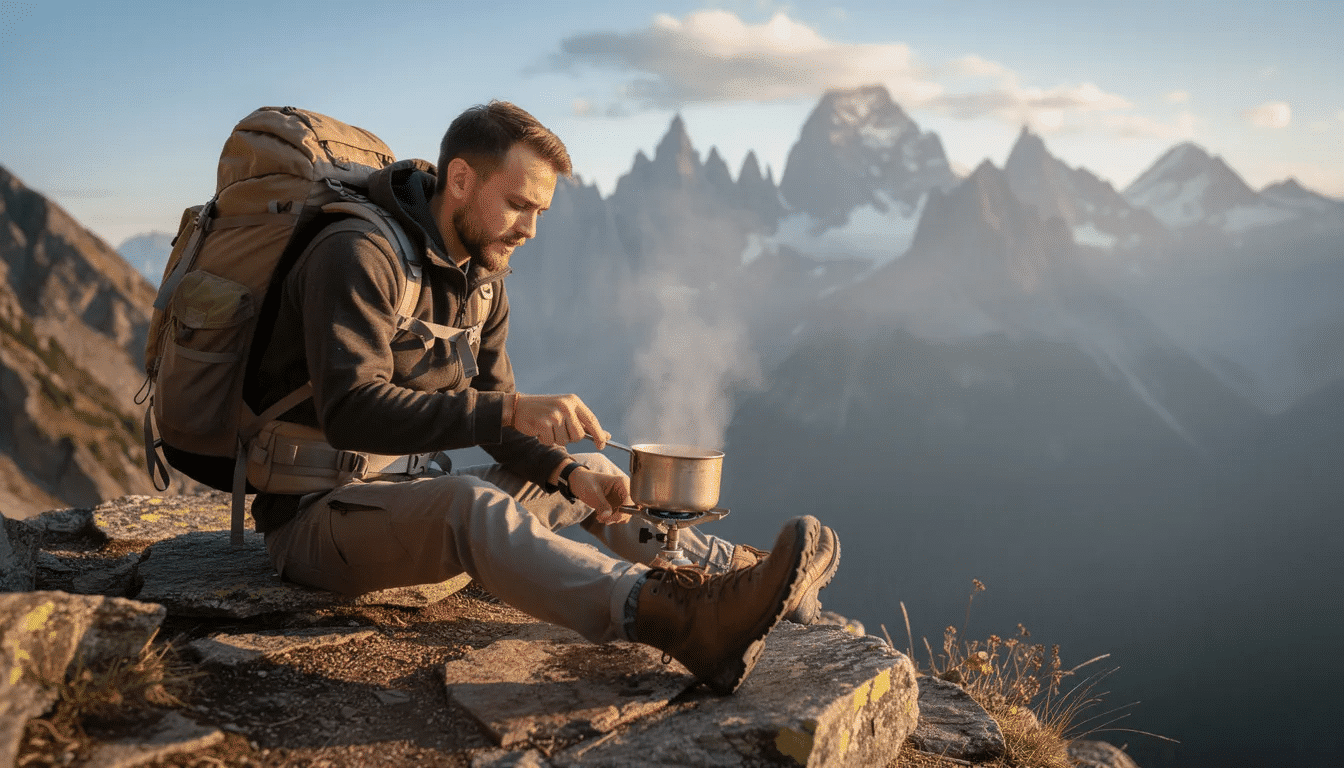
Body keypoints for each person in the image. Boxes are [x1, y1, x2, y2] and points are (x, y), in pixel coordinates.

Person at [245, 100, 840, 694]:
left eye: (540, 210)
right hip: (315, 519)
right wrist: (507, 410)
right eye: (518, 204)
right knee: (468, 504)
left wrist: (564, 472)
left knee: (594, 472)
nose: (530, 229)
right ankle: (676, 618)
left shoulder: (482, 281)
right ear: (460, 180)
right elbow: (352, 412)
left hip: (405, 497)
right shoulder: (355, 253)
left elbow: (501, 428)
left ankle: (738, 577)